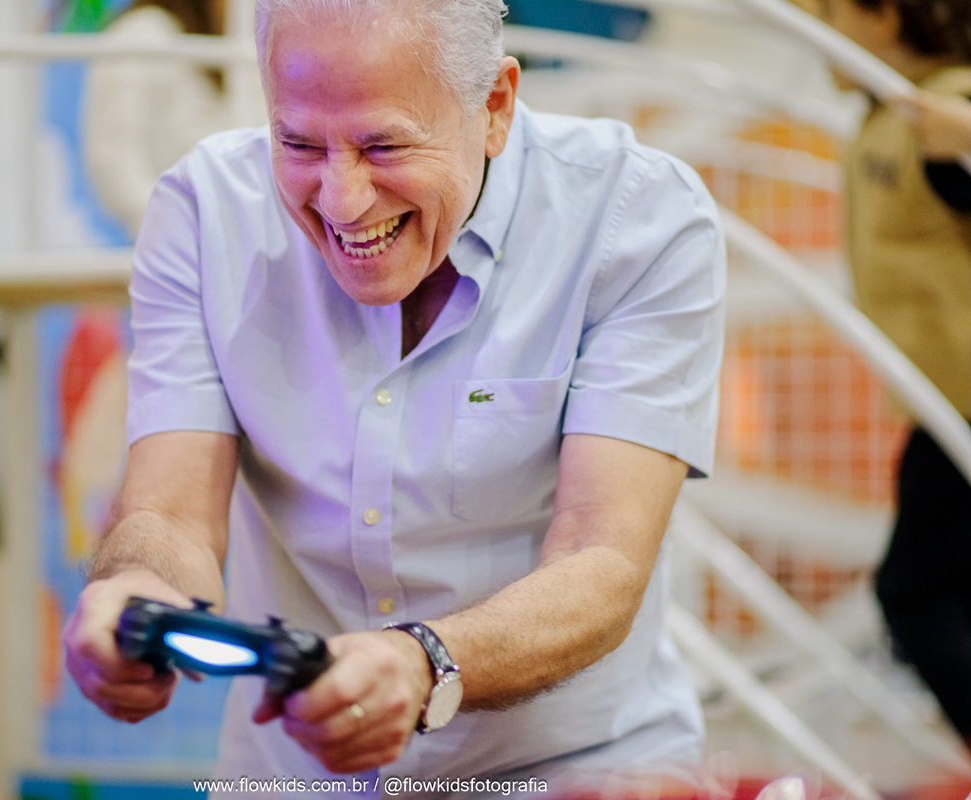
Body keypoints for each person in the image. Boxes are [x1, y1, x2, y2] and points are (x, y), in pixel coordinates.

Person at [61, 0, 726, 793]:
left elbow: (601, 556)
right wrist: (132, 591)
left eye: (384, 146)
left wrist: (423, 663)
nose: (341, 201)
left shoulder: (637, 219)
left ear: (494, 107)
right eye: (299, 144)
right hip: (297, 773)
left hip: (574, 772)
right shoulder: (205, 213)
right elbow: (170, 515)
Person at [821, 0, 971, 750]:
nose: (819, 34)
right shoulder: (895, 113)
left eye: (829, 13)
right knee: (926, 591)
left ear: (883, 17)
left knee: (915, 592)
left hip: (962, 407)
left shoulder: (946, 110)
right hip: (944, 403)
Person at [83, 0, 233, 236]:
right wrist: (172, 227)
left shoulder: (219, 43)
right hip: (179, 241)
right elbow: (113, 156)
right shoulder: (142, 33)